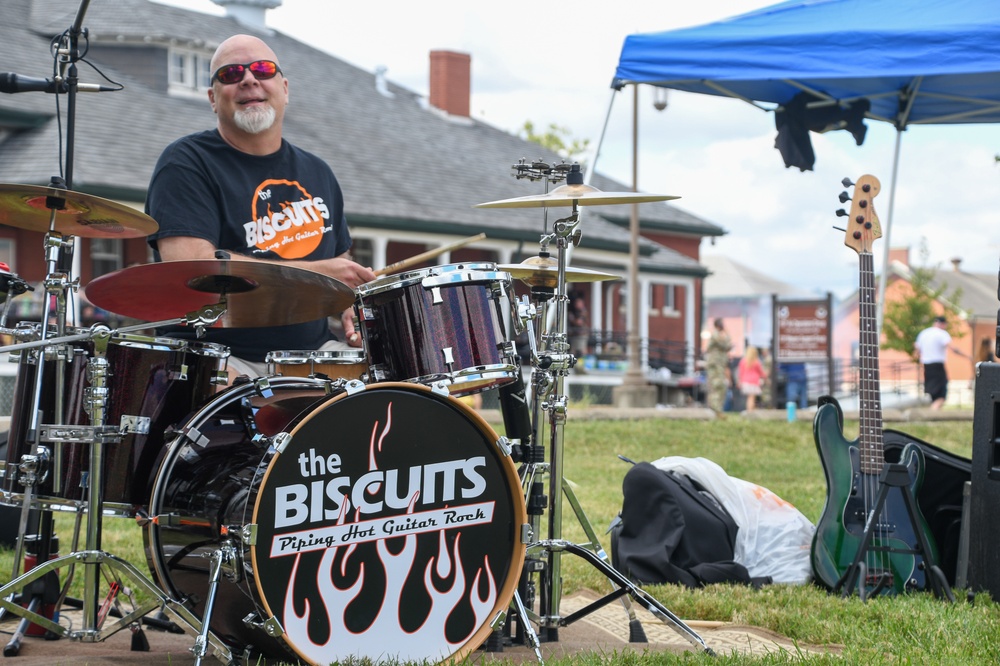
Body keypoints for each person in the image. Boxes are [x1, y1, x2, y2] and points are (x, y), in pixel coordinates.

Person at [145, 35, 376, 381]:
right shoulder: (186, 163)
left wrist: (349, 305)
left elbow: (338, 270)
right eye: (231, 73)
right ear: (212, 98)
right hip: (221, 358)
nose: (249, 79)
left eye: (263, 70)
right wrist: (314, 275)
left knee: (396, 383)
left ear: (284, 89)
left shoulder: (318, 172)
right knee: (219, 391)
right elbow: (190, 268)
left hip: (312, 355)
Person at [914, 315, 958, 410]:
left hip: (926, 365)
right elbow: (951, 347)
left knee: (932, 391)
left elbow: (917, 350)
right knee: (942, 391)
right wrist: (967, 356)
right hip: (937, 365)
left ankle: (935, 409)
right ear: (943, 324)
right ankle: (933, 411)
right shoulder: (942, 333)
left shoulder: (923, 333)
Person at [704, 318, 732, 412]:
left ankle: (716, 408)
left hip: (719, 364)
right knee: (717, 385)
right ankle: (715, 408)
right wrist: (727, 333)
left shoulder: (718, 335)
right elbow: (726, 345)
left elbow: (728, 347)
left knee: (719, 386)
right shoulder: (716, 334)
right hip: (715, 364)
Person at [737, 346, 767, 413]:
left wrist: (739, 381)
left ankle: (750, 411)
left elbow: (740, 373)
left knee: (749, 398)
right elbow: (761, 372)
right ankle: (750, 412)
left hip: (745, 382)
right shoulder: (757, 362)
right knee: (752, 398)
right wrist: (766, 376)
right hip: (754, 382)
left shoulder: (743, 361)